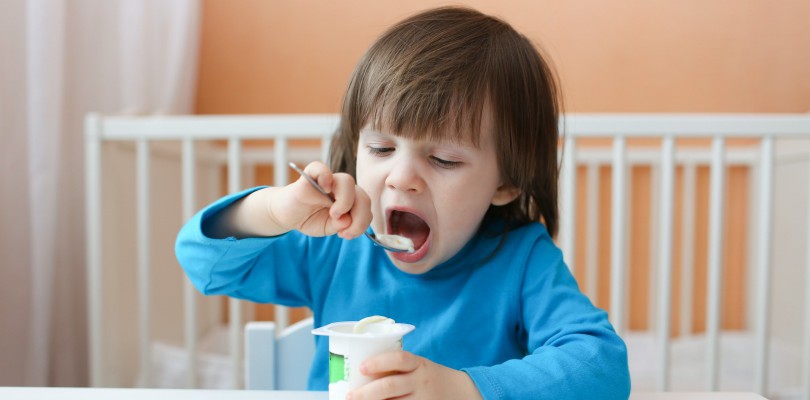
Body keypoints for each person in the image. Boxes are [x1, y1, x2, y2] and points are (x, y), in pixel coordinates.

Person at [176, 6, 630, 400]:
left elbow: (602, 367)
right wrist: (274, 211)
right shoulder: (335, 244)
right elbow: (202, 261)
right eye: (380, 149)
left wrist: (464, 389)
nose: (402, 178)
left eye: (444, 159)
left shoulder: (522, 259)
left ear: (506, 184)